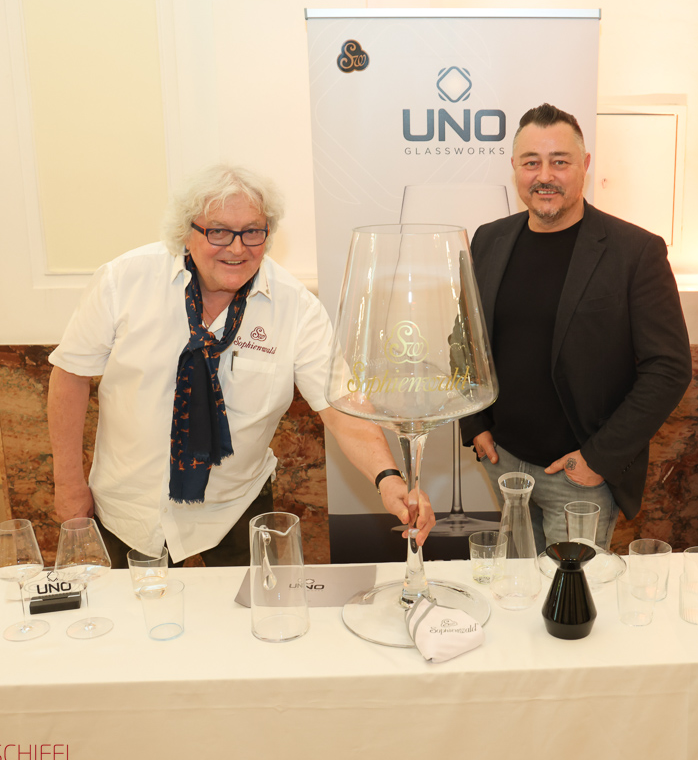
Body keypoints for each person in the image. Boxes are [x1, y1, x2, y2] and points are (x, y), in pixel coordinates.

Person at [49, 164, 433, 568]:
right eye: (218, 231)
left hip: (234, 513)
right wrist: (68, 484)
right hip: (127, 511)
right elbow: (70, 376)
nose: (236, 248)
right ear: (186, 232)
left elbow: (341, 406)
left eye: (252, 232)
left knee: (251, 609)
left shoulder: (296, 307)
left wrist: (389, 479)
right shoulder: (123, 281)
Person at [460, 103, 692, 552]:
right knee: (517, 585)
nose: (545, 176)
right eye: (532, 163)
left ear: (584, 165)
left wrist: (598, 459)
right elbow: (465, 336)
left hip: (578, 474)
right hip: (503, 461)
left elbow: (669, 368)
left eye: (560, 162)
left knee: (569, 592)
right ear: (515, 168)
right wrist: (474, 424)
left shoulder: (635, 252)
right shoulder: (489, 238)